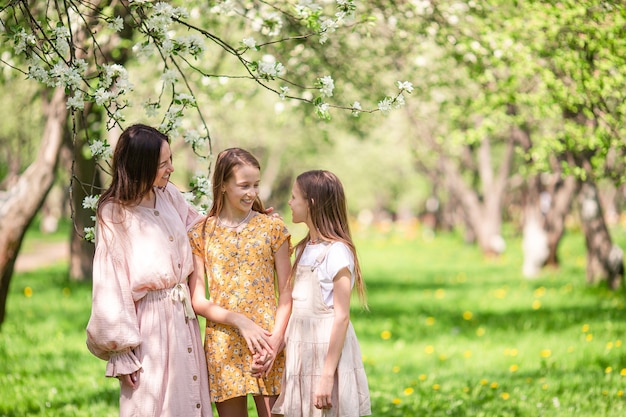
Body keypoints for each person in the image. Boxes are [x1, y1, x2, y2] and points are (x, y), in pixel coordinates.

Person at [85, 124, 213, 417]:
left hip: (183, 317)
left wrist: (249, 222)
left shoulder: (169, 196)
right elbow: (111, 282)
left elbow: (201, 229)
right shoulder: (114, 213)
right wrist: (121, 352)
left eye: (170, 160)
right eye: (163, 164)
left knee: (188, 399)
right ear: (141, 166)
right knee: (153, 404)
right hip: (149, 326)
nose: (171, 169)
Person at [187, 147, 292, 417]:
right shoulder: (201, 233)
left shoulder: (272, 228)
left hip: (268, 343)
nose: (252, 193)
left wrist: (277, 339)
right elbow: (198, 300)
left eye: (255, 185)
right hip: (224, 345)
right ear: (222, 185)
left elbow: (287, 292)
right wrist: (240, 321)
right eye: (244, 185)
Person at [272, 170, 371, 417]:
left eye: (294, 197)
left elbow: (341, 317)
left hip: (327, 355)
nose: (289, 202)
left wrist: (327, 377)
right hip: (302, 354)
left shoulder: (336, 252)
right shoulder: (305, 247)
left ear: (311, 203)